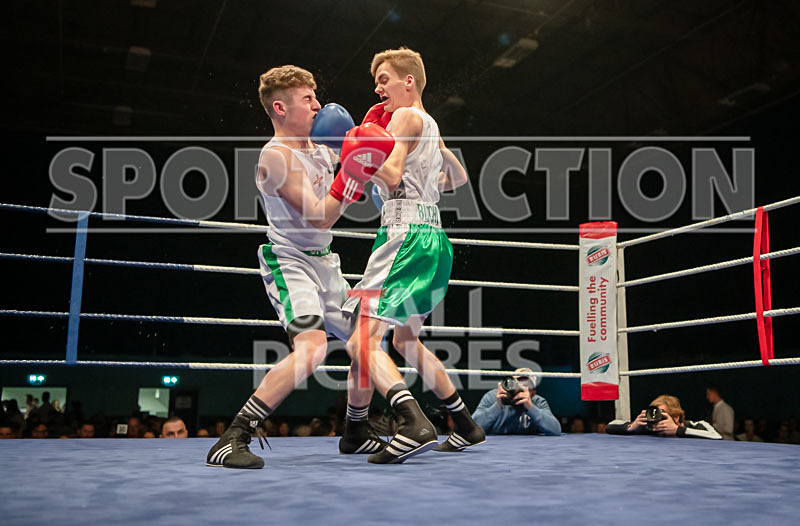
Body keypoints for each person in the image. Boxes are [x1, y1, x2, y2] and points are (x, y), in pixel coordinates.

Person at [206, 65, 394, 469]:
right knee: (312, 349)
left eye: (315, 96)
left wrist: (372, 136)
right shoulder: (276, 157)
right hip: (290, 261)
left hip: (326, 263)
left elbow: (363, 178)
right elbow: (319, 216)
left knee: (366, 340)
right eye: (308, 99)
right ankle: (233, 436)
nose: (317, 105)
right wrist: (353, 174)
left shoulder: (321, 148)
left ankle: (355, 430)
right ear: (280, 108)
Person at [341, 47, 486, 462]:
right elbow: (458, 177)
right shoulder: (430, 124)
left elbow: (391, 174)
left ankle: (413, 422)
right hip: (433, 238)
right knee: (405, 339)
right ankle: (466, 425)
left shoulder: (404, 116)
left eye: (384, 79)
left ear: (409, 81)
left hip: (403, 236)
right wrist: (424, 184)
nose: (377, 88)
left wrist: (352, 152)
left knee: (360, 341)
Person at [472, 368, 561, 436]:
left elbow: (555, 430)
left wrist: (530, 407)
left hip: (527, 448)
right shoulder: (493, 397)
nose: (519, 389)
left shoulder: (537, 402)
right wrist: (498, 405)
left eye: (526, 386)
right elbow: (472, 428)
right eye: (517, 384)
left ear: (533, 393)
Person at [606, 395, 722, 439]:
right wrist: (631, 427)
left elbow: (716, 436)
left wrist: (678, 430)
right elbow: (610, 426)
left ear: (676, 417)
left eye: (662, 414)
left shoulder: (695, 425)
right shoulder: (650, 427)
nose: (656, 417)